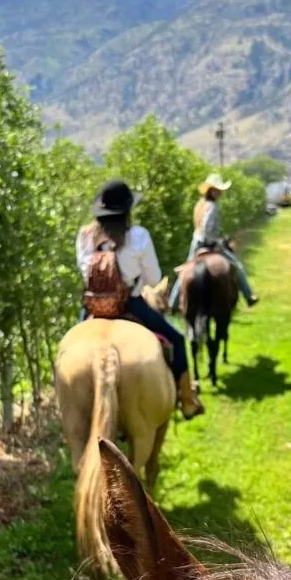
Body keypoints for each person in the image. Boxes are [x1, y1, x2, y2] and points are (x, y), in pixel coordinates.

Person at [76, 179, 205, 420]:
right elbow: (154, 277)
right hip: (131, 304)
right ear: (127, 210)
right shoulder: (138, 236)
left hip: (92, 307)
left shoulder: (85, 236)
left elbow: (84, 272)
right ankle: (187, 400)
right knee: (177, 340)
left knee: (68, 348)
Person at [169, 173, 259, 311]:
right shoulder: (212, 207)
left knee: (185, 271)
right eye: (218, 190)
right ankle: (248, 296)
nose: (220, 193)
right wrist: (216, 242)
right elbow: (207, 228)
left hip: (196, 242)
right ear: (212, 191)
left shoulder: (200, 204)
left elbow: (200, 227)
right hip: (208, 243)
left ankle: (173, 303)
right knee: (237, 266)